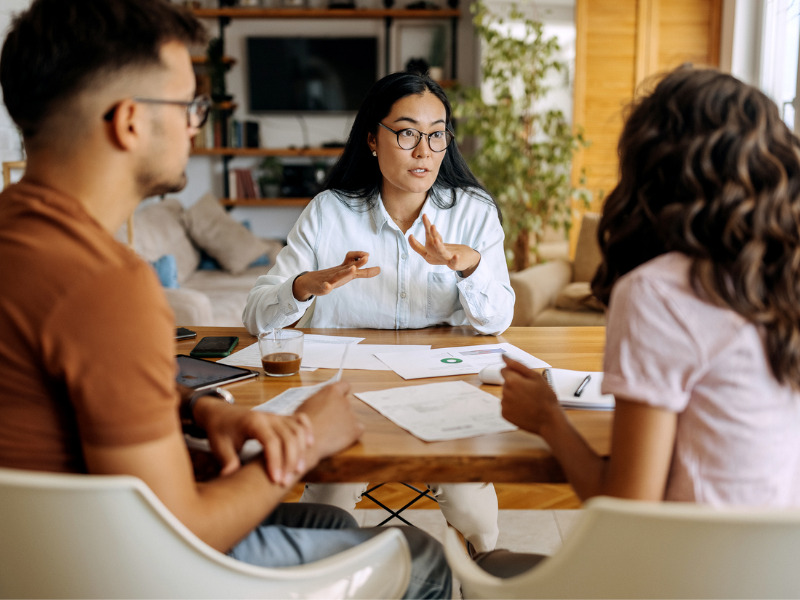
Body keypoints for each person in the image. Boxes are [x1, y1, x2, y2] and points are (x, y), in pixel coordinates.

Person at [0, 1, 451, 597]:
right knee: (420, 556)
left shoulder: (18, 235)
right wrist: (310, 437)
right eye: (190, 105)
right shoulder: (106, 286)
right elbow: (177, 533)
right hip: (113, 569)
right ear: (130, 122)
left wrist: (194, 408)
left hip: (33, 550)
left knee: (332, 520)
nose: (196, 124)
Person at [475, 65, 800, 577]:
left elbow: (628, 512)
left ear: (655, 167)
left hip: (686, 579)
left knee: (483, 568)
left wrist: (548, 420)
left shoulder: (659, 291)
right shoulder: (782, 279)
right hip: (778, 578)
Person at [242, 71, 516, 553]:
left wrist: (467, 264)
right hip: (346, 394)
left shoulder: (473, 211)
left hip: (442, 391)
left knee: (472, 507)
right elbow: (257, 318)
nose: (424, 150)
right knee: (327, 505)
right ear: (372, 138)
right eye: (407, 132)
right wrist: (307, 285)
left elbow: (496, 322)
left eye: (436, 134)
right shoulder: (329, 211)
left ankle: (481, 582)